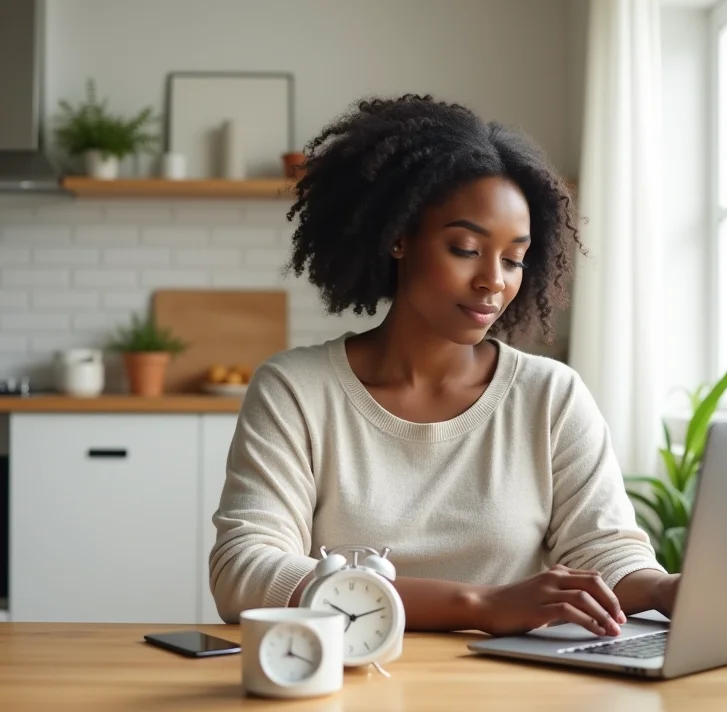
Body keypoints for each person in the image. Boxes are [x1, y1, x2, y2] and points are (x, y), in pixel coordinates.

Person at [209, 94, 679, 637]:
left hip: (508, 696)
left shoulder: (550, 396)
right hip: (343, 686)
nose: (493, 281)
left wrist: (667, 589)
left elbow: (604, 554)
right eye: (464, 248)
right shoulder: (296, 390)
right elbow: (243, 574)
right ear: (399, 239)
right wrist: (479, 605)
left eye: (513, 258)